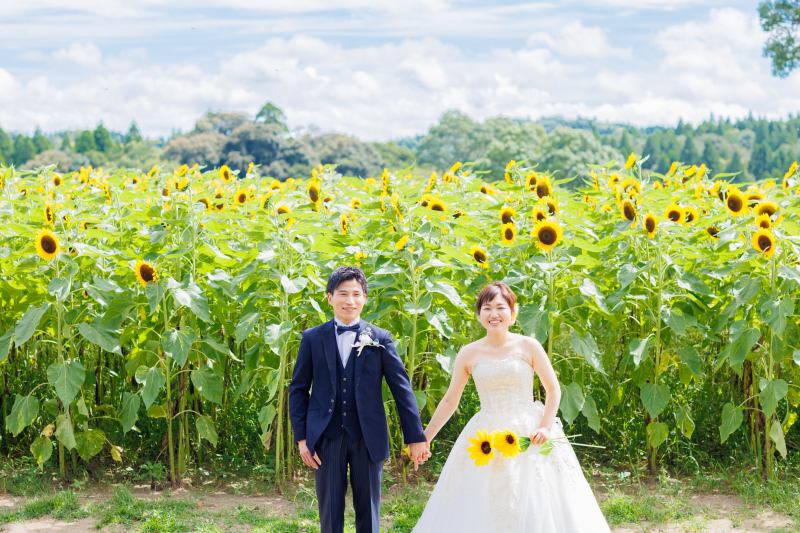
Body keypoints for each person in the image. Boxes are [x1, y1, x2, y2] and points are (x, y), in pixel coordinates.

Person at [412, 281, 612, 532]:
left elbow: (553, 389)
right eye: (486, 308)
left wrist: (546, 428)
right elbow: (451, 400)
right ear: (479, 314)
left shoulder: (528, 346)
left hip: (529, 430)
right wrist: (425, 437)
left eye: (500, 307)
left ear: (513, 313)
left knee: (536, 496)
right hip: (486, 434)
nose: (493, 314)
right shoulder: (468, 353)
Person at [289, 266, 430, 533]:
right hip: (326, 436)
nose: (350, 301)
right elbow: (297, 390)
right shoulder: (312, 338)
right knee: (330, 514)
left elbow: (402, 390)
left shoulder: (380, 338)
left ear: (365, 297)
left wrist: (416, 437)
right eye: (342, 293)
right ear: (329, 297)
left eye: (356, 294)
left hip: (368, 436)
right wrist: (302, 437)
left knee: (369, 511)